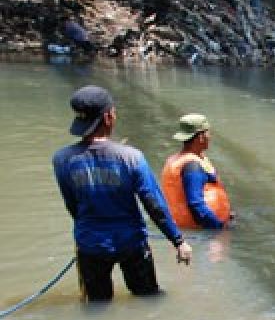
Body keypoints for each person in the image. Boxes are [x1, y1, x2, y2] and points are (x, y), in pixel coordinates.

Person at [52, 86, 192, 301]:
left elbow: (71, 204)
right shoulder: (131, 157)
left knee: (97, 306)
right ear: (108, 117)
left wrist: (87, 230)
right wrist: (178, 241)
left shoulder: (62, 159)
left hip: (90, 244)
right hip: (131, 243)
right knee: (149, 300)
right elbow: (153, 203)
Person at [160, 114, 232, 229]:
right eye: (208, 132)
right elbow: (196, 205)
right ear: (200, 137)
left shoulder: (179, 159)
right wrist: (219, 228)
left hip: (186, 227)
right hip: (202, 231)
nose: (210, 136)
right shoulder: (192, 166)